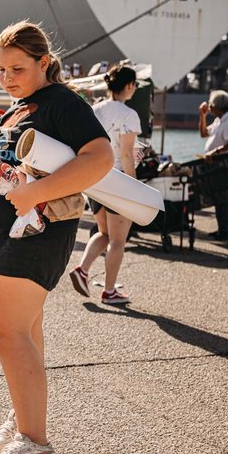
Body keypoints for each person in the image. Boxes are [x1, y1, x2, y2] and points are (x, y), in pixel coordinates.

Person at [0, 21, 112, 454]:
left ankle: (34, 443)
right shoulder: (17, 108)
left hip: (39, 233)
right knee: (27, 332)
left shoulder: (62, 103)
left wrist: (38, 194)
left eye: (18, 67)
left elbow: (101, 157)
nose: (7, 77)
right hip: (8, 236)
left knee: (6, 332)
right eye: (0, 69)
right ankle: (24, 418)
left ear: (44, 63)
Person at [69, 64, 141, 304]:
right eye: (135, 85)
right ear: (129, 85)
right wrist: (135, 187)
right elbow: (128, 154)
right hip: (118, 178)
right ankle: (110, 291)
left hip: (95, 178)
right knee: (118, 240)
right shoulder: (128, 114)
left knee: (104, 232)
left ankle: (82, 269)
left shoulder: (95, 109)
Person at [199, 89, 228, 239]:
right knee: (218, 199)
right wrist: (202, 116)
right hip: (216, 165)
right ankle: (224, 228)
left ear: (217, 106)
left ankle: (225, 230)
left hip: (224, 165)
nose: (209, 107)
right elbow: (204, 134)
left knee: (221, 199)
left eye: (210, 105)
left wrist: (214, 152)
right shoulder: (219, 121)